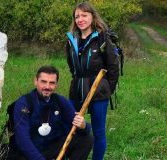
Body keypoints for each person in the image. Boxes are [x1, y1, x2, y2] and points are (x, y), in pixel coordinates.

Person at [65, 2, 120, 160]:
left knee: (98, 131)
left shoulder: (102, 38)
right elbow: (71, 65)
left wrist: (107, 88)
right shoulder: (71, 40)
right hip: (76, 89)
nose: (80, 19)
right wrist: (78, 79)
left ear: (92, 17)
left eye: (84, 15)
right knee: (71, 125)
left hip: (98, 91)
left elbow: (113, 67)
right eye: (77, 16)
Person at [11, 65, 93, 160]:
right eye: (43, 82)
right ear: (36, 81)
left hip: (53, 148)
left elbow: (78, 126)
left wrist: (83, 126)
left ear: (56, 85)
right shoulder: (24, 103)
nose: (47, 87)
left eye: (52, 83)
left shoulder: (60, 101)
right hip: (29, 152)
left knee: (86, 139)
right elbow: (22, 140)